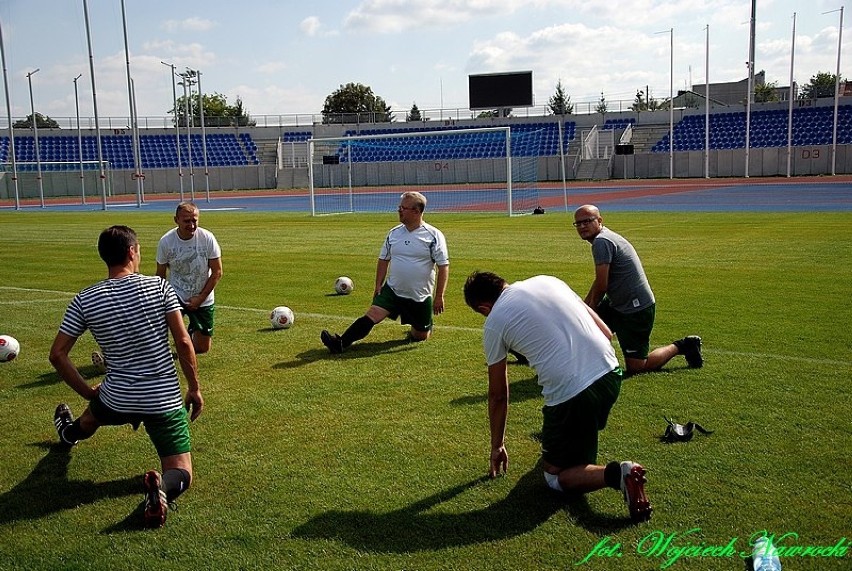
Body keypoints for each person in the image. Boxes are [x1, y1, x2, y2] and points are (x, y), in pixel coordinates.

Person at [463, 271, 652, 522]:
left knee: (554, 477)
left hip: (574, 396)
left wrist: (497, 445)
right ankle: (582, 457)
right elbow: (606, 332)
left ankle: (618, 474)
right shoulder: (548, 280)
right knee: (577, 439)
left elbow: (498, 394)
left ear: (484, 307)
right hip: (610, 374)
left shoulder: (494, 322)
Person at [49, 225, 204, 529]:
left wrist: (87, 392)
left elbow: (57, 354)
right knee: (181, 470)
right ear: (133, 251)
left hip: (116, 396)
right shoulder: (159, 288)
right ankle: (161, 490)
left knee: (89, 421)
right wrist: (195, 388)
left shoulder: (85, 299)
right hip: (162, 398)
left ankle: (68, 434)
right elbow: (184, 342)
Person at [573, 204, 702, 376]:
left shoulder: (602, 242)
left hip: (635, 308)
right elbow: (600, 281)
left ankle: (683, 346)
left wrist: (590, 308)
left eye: (587, 221)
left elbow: (602, 285)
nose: (582, 226)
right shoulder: (605, 238)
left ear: (600, 221)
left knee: (637, 367)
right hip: (616, 304)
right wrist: (585, 306)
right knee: (582, 330)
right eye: (578, 223)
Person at [320, 191, 449, 354]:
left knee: (420, 336)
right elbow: (383, 259)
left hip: (420, 295)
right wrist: (378, 285)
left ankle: (421, 327)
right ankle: (340, 343)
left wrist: (439, 296)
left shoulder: (434, 236)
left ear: (417, 211)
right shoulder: (394, 233)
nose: (399, 210)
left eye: (404, 208)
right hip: (393, 290)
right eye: (399, 207)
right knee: (373, 314)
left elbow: (443, 266)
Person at [155, 201, 223, 355]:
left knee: (202, 348)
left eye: (195, 220)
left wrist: (200, 298)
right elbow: (160, 275)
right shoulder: (166, 242)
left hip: (203, 296)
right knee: (155, 330)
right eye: (187, 221)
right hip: (175, 295)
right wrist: (161, 300)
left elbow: (217, 271)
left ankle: (190, 334)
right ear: (176, 220)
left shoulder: (207, 238)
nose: (192, 225)